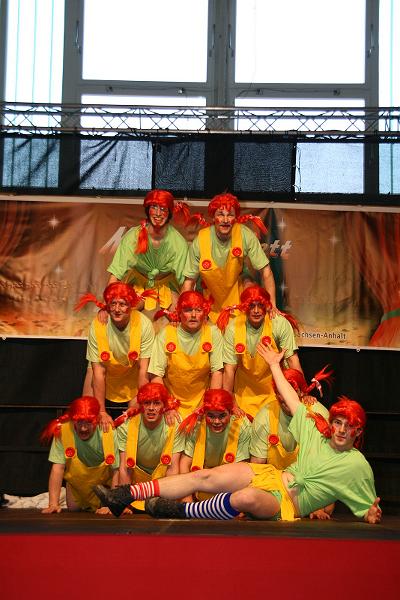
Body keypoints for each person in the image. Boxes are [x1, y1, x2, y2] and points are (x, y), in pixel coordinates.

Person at [94, 343, 381, 525]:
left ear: (357, 431)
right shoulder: (314, 431)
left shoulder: (357, 466)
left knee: (245, 498)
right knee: (206, 476)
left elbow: (367, 505)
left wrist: (370, 513)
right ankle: (123, 495)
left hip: (286, 503)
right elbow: (291, 398)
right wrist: (274, 365)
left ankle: (180, 511)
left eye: (348, 426)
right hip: (271, 476)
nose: (341, 430)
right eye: (338, 423)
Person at [181, 192, 277, 322]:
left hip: (238, 300)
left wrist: (272, 305)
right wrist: (182, 312)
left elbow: (266, 271)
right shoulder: (201, 240)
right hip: (210, 301)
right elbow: (189, 282)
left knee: (250, 285)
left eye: (230, 215)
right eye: (220, 214)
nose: (225, 220)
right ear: (213, 217)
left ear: (235, 217)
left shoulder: (244, 234)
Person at [75, 282, 155, 431]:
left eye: (122, 304)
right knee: (88, 415)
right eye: (113, 304)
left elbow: (143, 369)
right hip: (104, 372)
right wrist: (101, 411)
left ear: (131, 306)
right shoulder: (98, 325)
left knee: (135, 420)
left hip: (132, 376)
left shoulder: (144, 325)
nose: (117, 309)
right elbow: (98, 372)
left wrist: (139, 403)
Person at [220, 285, 301, 417]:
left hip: (275, 394)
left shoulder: (279, 323)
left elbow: (292, 360)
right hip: (243, 396)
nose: (256, 311)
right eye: (252, 306)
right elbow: (229, 369)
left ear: (267, 306)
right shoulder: (233, 327)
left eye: (261, 305)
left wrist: (302, 392)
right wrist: (231, 403)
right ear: (245, 307)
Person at [107, 189, 190, 318]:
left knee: (180, 317)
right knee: (122, 313)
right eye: (154, 207)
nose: (158, 213)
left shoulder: (178, 242)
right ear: (147, 210)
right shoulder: (133, 237)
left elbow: (186, 283)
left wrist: (186, 307)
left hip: (166, 286)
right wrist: (109, 305)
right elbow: (116, 274)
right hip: (138, 284)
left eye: (163, 209)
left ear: (169, 212)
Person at [148, 291, 223, 418]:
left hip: (203, 403)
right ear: (179, 313)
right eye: (188, 310)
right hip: (171, 403)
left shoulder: (213, 333)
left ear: (205, 313)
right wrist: (168, 406)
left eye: (198, 310)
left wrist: (209, 405)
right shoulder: (165, 334)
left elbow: (217, 372)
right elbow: (156, 375)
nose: (193, 315)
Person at [40, 396, 119, 514]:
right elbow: (58, 468)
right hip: (79, 483)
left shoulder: (108, 432)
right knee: (73, 508)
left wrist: (113, 505)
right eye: (79, 422)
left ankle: (103, 499)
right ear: (72, 419)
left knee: (104, 506)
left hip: (104, 482)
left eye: (89, 422)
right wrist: (53, 504)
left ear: (97, 419)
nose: (83, 428)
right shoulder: (63, 431)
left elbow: (117, 470)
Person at [114, 382, 182, 511]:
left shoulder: (175, 426)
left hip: (163, 485)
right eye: (147, 403)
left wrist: (168, 505)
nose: (151, 408)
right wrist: (124, 504)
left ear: (164, 406)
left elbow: (173, 468)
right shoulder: (125, 427)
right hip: (136, 486)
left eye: (156, 403)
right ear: (141, 405)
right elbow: (124, 468)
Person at [250, 365, 331, 469]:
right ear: (275, 395)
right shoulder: (265, 416)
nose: (286, 398)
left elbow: (324, 464)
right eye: (281, 393)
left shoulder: (319, 414)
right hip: (274, 477)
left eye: (292, 392)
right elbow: (257, 465)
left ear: (302, 393)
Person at [178, 389, 251, 500]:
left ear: (230, 413)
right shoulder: (197, 424)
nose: (216, 422)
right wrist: (187, 499)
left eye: (222, 416)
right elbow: (185, 463)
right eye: (211, 416)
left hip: (230, 483)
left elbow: (241, 469)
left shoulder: (242, 425)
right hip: (200, 482)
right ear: (205, 413)